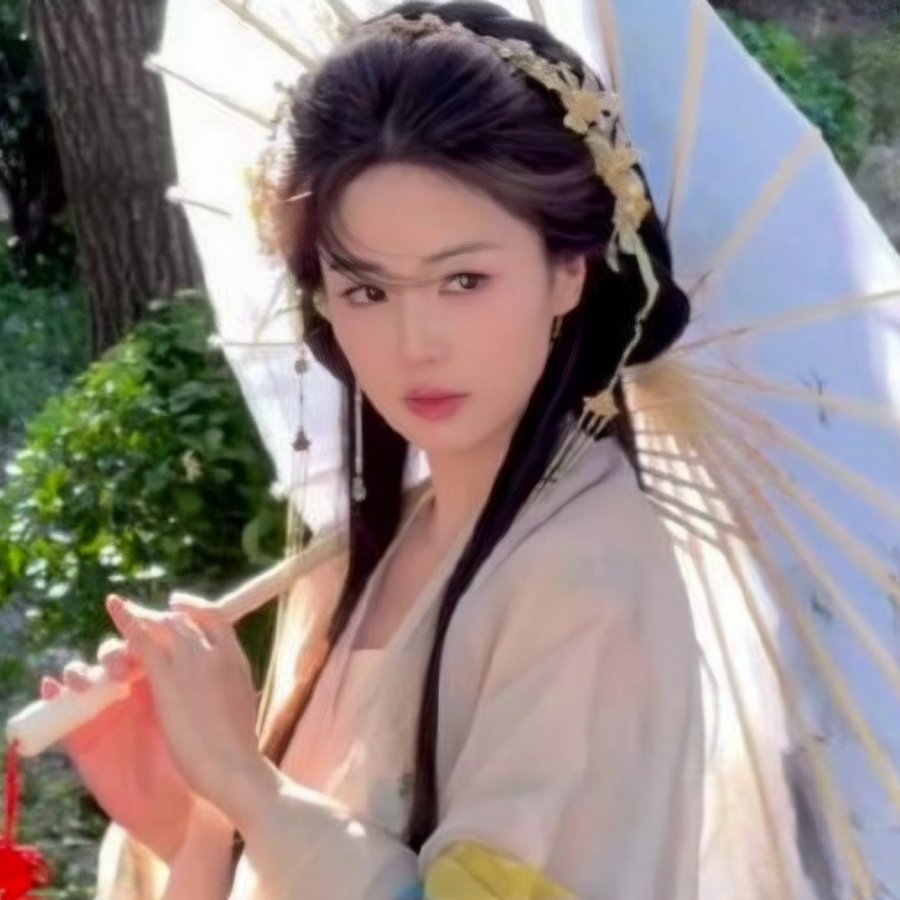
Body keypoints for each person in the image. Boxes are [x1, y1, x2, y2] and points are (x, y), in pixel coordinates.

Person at [40, 2, 704, 897]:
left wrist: (244, 780)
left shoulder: (589, 580)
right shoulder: (377, 543)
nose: (414, 344)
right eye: (366, 290)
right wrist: (190, 820)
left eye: (464, 279)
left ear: (568, 272)